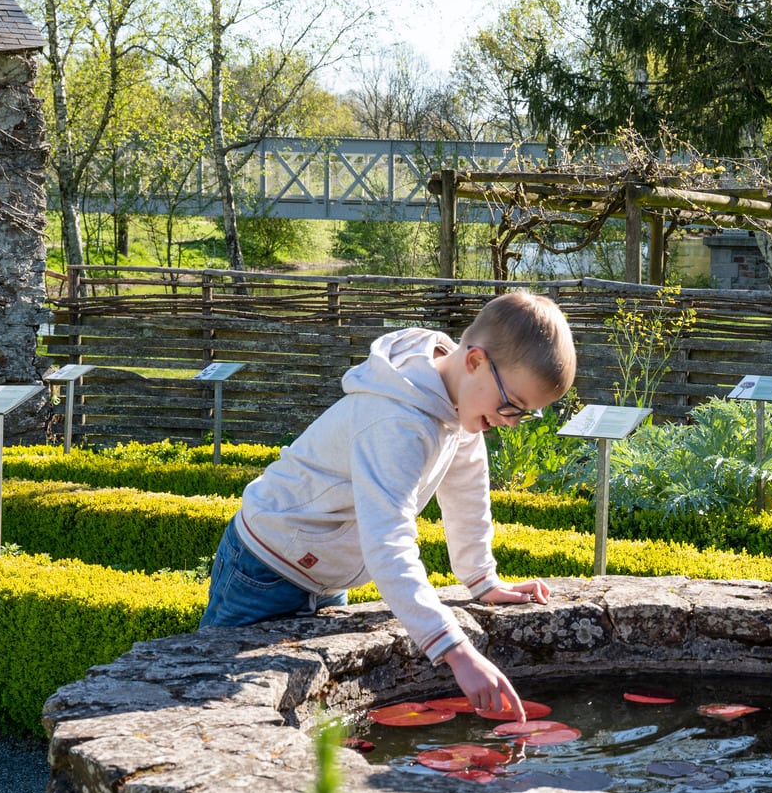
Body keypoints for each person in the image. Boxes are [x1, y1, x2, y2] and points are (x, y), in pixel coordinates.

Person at [199, 290, 577, 717]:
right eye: (511, 406)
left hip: (323, 575)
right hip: (263, 571)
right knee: (214, 706)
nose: (509, 422)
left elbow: (467, 494)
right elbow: (389, 542)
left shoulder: (461, 404)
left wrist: (483, 581)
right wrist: (456, 651)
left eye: (524, 414)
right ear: (474, 361)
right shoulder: (396, 421)